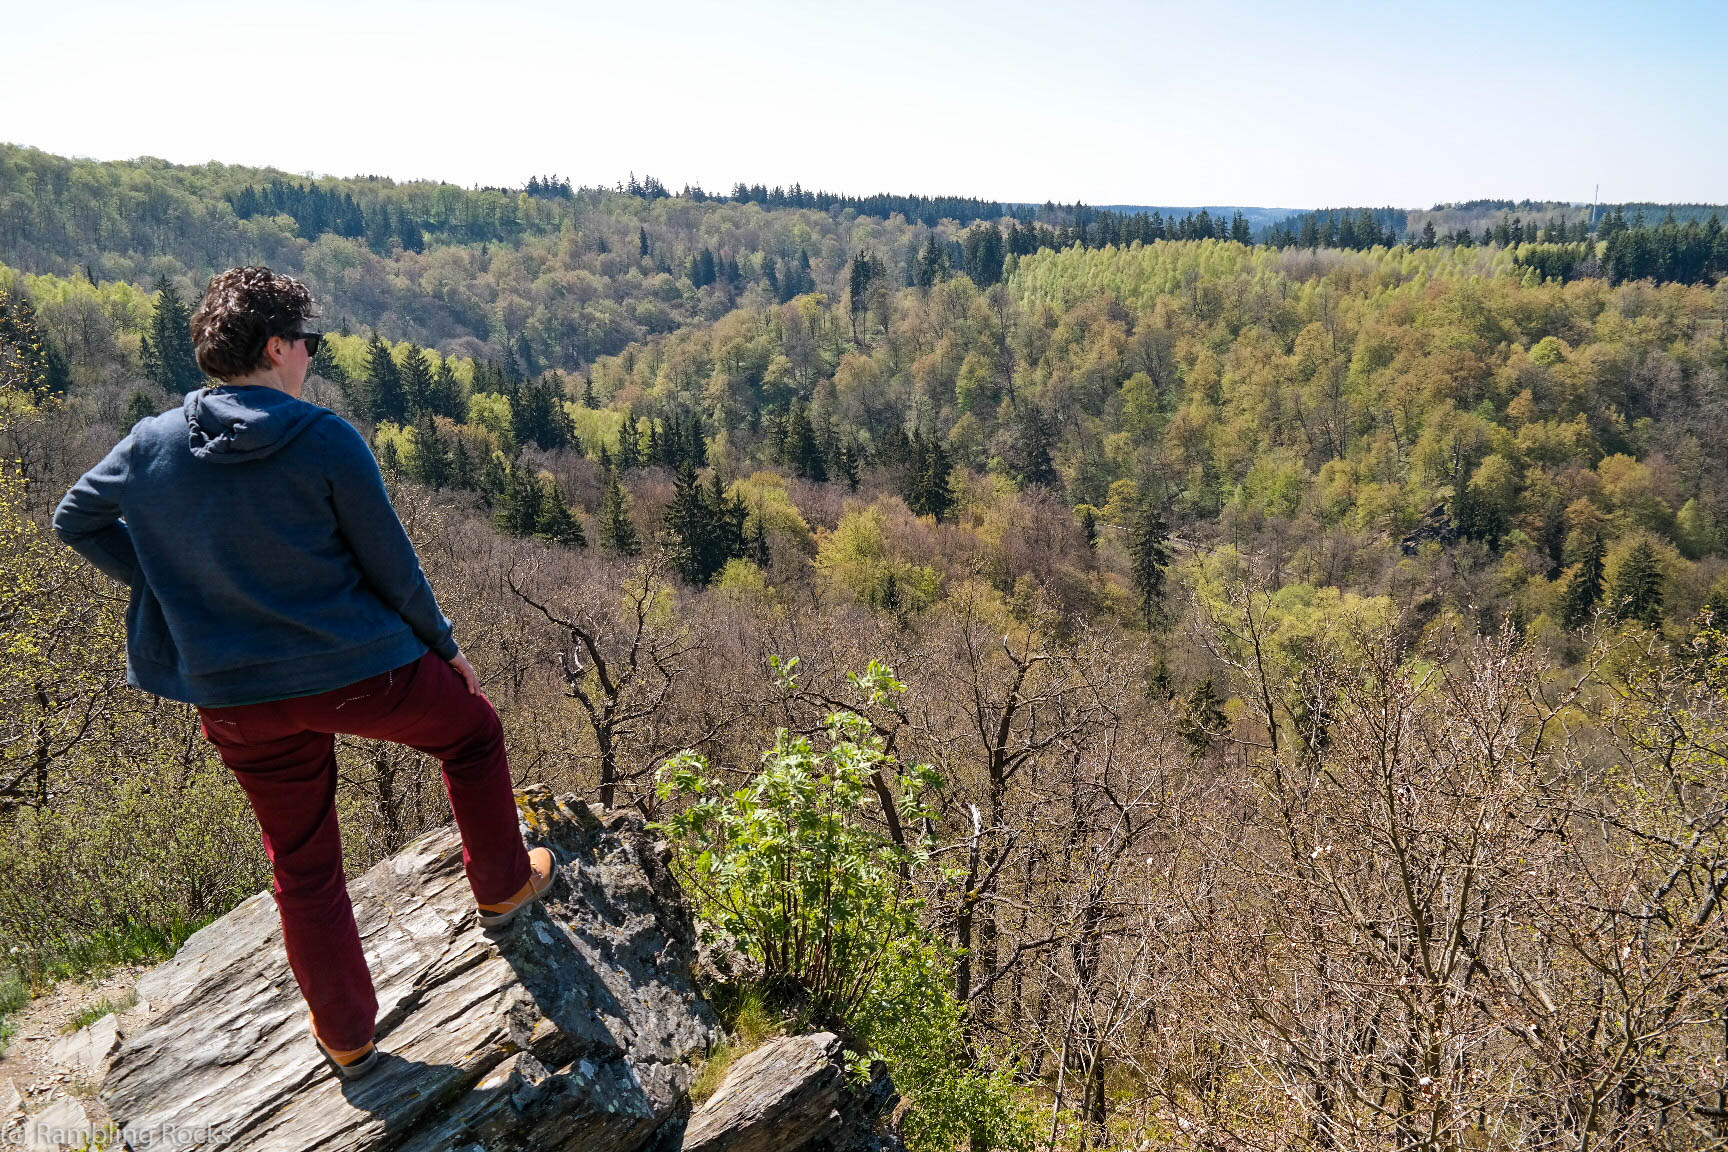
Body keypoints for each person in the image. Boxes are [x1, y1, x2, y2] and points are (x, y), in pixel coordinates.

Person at [50, 266, 554, 1080]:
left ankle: (348, 1037)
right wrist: (444, 646)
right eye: (308, 342)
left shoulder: (149, 444)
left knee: (303, 861)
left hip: (235, 695)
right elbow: (392, 567)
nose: (311, 357)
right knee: (472, 731)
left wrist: (172, 586)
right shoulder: (323, 439)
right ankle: (500, 888)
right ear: (277, 347)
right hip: (358, 672)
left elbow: (74, 517)